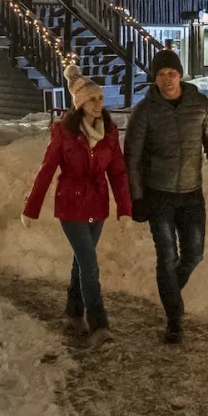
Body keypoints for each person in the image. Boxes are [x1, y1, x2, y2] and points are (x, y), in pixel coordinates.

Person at [123, 50, 208, 344]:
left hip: (191, 194)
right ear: (154, 79)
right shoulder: (145, 111)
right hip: (159, 196)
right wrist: (137, 197)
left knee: (194, 254)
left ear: (180, 74)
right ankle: (174, 318)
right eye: (160, 75)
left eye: (171, 73)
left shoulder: (200, 105)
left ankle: (170, 293)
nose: (166, 80)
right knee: (167, 257)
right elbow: (131, 157)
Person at [21, 76, 130, 335]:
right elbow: (47, 170)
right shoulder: (64, 132)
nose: (97, 103)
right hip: (71, 205)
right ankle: (98, 323)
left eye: (101, 98)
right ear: (80, 102)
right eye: (92, 98)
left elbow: (118, 173)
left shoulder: (109, 133)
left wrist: (124, 207)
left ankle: (73, 308)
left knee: (81, 260)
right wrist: (31, 208)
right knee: (89, 263)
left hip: (97, 205)